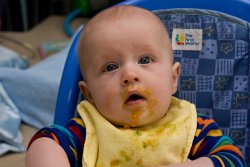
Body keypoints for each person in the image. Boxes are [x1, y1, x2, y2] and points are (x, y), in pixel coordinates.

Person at [25, 5, 245, 167]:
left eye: (145, 60)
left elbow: (232, 158)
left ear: (173, 79)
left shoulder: (193, 127)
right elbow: (48, 140)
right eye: (111, 67)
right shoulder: (88, 129)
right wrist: (47, 155)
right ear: (89, 93)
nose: (129, 75)